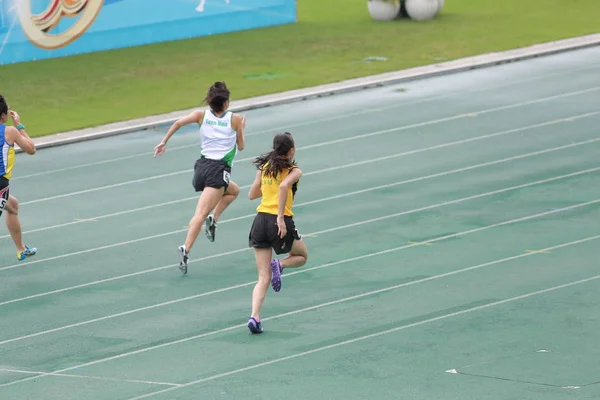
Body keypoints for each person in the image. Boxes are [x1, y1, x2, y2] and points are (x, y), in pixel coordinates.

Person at [153, 82, 245, 274]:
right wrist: (241, 128)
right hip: (218, 170)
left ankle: (214, 219)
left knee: (234, 191)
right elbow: (241, 146)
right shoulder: (234, 119)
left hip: (201, 168)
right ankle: (185, 249)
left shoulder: (200, 115)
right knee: (199, 214)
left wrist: (163, 142)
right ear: (226, 102)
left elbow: (178, 123)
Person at [246, 132, 308, 334]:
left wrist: (267, 185)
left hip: (260, 221)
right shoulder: (294, 170)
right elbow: (283, 186)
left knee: (263, 277)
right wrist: (280, 218)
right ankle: (280, 265)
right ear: (291, 151)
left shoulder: (263, 169)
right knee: (301, 256)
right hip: (278, 222)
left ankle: (254, 316)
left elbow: (252, 194)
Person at [0, 95, 37, 261]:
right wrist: (20, 126)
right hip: (0, 185)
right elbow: (31, 149)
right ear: (3, 116)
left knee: (12, 206)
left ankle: (21, 249)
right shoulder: (9, 131)